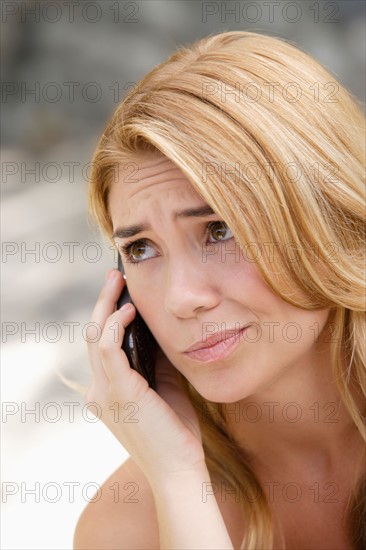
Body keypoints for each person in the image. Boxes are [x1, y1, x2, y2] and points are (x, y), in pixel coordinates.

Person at [73, 31, 365, 549]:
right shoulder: (125, 526)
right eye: (141, 248)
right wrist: (181, 485)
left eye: (219, 229)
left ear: (328, 219)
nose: (181, 298)